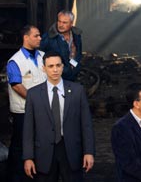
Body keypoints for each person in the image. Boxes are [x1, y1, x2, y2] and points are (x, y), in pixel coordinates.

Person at [23, 51, 95, 181]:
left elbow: (86, 124)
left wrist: (89, 152)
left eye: (58, 65)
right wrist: (28, 157)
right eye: (50, 66)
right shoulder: (33, 94)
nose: (55, 69)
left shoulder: (77, 90)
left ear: (63, 66)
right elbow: (28, 129)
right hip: (44, 153)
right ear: (43, 68)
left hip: (71, 150)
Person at [6, 25, 47, 182]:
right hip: (22, 111)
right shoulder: (15, 61)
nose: (40, 38)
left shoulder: (43, 56)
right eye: (36, 36)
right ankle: (14, 176)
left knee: (39, 143)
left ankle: (35, 174)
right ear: (26, 37)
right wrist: (36, 100)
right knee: (20, 145)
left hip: (42, 109)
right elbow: (16, 85)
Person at [40, 10, 82, 81]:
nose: (61, 25)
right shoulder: (48, 37)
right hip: (56, 77)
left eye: (64, 22)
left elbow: (79, 53)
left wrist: (76, 68)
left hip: (73, 75)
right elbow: (40, 57)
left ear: (71, 23)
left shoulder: (76, 35)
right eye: (59, 21)